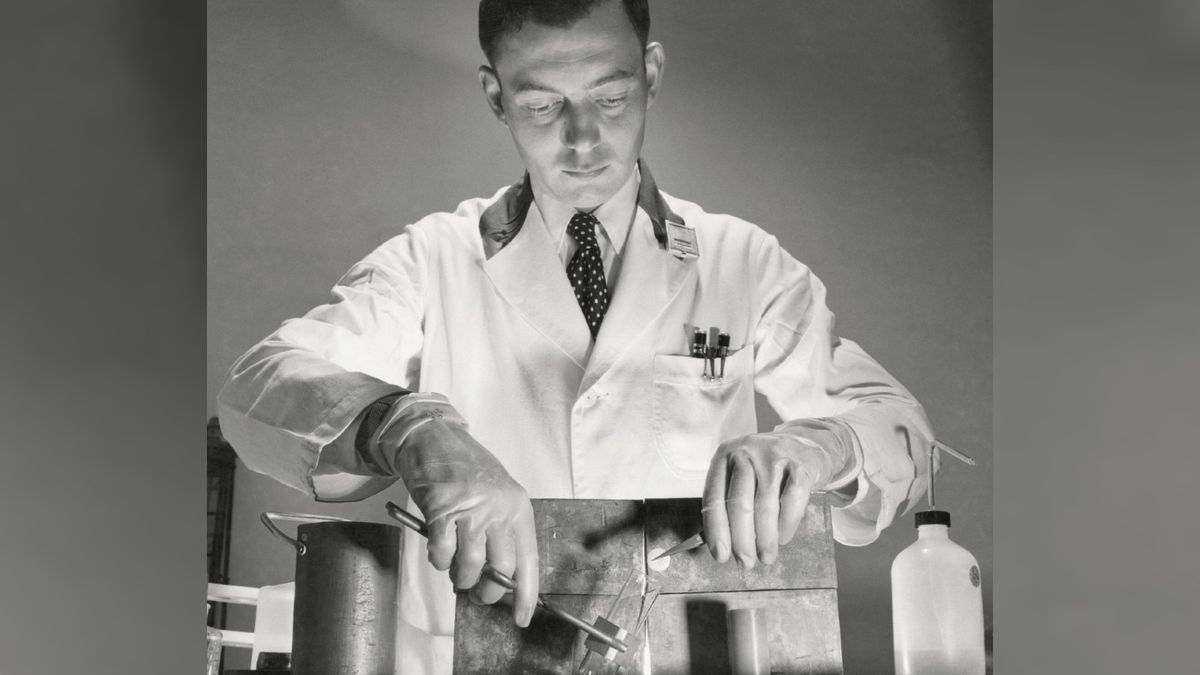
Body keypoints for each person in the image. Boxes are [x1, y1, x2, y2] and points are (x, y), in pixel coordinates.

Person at [218, 0, 935, 671]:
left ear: (650, 75)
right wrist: (407, 428)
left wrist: (821, 446)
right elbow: (256, 390)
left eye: (612, 96)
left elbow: (901, 430)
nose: (583, 137)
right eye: (541, 105)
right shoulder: (433, 261)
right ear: (495, 96)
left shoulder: (741, 262)